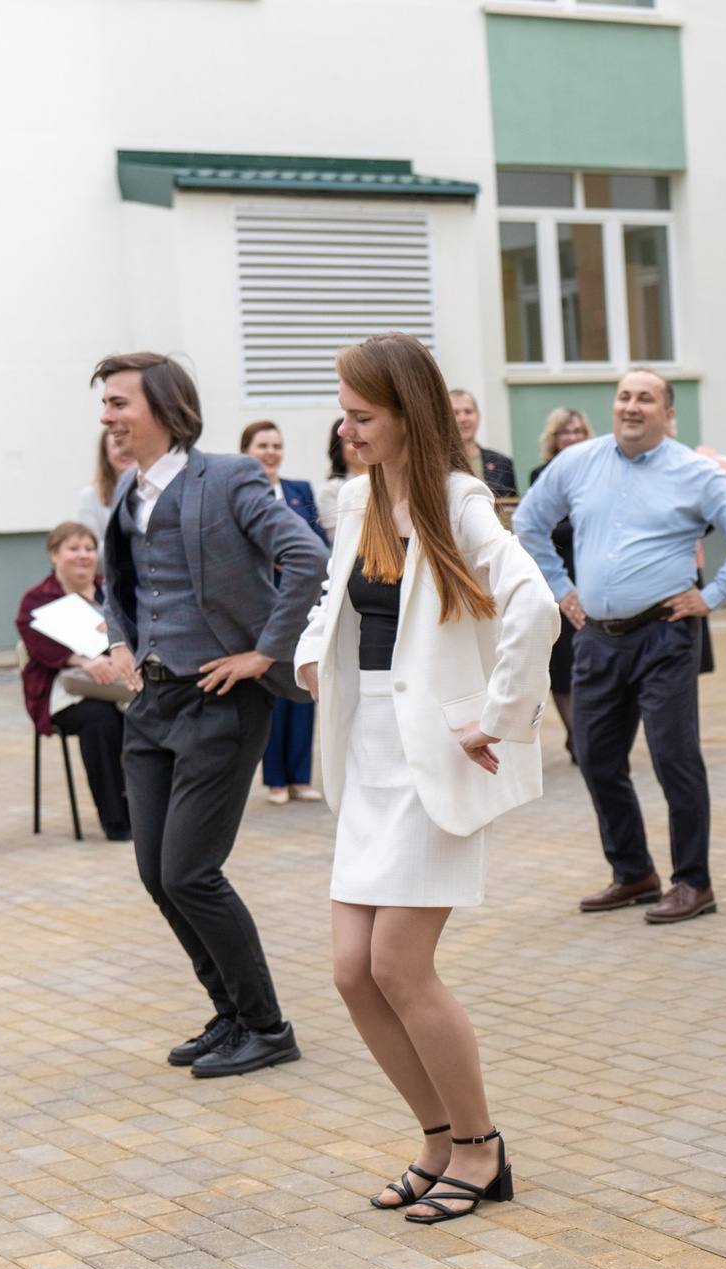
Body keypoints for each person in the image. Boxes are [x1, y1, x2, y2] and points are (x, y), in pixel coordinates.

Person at [296, 335, 560, 1221]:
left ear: (407, 414)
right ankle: (436, 1137)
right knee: (349, 970)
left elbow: (530, 603)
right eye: (344, 413)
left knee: (399, 965)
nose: (347, 428)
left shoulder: (456, 497)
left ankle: (481, 1148)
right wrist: (308, 656)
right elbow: (336, 594)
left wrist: (499, 711)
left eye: (362, 415)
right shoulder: (359, 496)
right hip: (367, 748)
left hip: (432, 755)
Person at [89, 351, 329, 1078]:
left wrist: (264, 653)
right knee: (158, 873)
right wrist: (123, 641)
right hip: (152, 703)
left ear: (163, 409)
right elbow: (117, 582)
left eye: (120, 403)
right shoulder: (127, 491)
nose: (108, 416)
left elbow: (308, 554)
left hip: (220, 699)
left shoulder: (224, 477)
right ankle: (229, 1014)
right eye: (105, 404)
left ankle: (266, 1025)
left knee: (191, 871)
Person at [515, 369, 726, 924]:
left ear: (668, 413)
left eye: (646, 399)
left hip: (664, 635)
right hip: (598, 640)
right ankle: (633, 872)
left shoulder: (694, 472)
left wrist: (716, 594)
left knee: (673, 759)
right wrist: (561, 589)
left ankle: (693, 882)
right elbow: (528, 521)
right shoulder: (578, 461)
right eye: (624, 396)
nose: (632, 407)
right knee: (596, 758)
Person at [16, 520, 132, 841]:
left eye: (89, 548)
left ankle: (149, 809)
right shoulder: (37, 599)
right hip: (65, 691)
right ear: (54, 555)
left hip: (120, 684)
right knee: (100, 720)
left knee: (149, 713)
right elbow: (36, 642)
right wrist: (81, 659)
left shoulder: (112, 591)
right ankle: (115, 819)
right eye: (73, 548)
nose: (83, 555)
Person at [243, 421, 327, 805]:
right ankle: (275, 780)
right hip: (263, 603)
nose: (270, 452)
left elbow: (315, 543)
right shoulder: (240, 492)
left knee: (304, 683)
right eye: (262, 445)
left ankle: (301, 777)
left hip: (302, 602)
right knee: (273, 692)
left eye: (276, 445)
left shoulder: (298, 490)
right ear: (246, 450)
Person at [530, 407, 592, 755]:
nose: (573, 437)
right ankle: (576, 736)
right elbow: (541, 529)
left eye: (579, 430)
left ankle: (589, 734)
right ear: (553, 439)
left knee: (593, 658)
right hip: (557, 578)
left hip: (594, 576)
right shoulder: (542, 475)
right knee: (563, 660)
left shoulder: (599, 473)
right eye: (566, 431)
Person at [449, 390, 517, 498]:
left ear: (478, 416)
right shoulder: (436, 464)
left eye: (468, 412)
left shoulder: (502, 463)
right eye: (455, 413)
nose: (463, 419)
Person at [76, 430, 135, 539]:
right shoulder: (90, 496)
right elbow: (91, 545)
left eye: (131, 444)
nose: (125, 452)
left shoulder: (154, 489)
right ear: (106, 454)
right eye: (117, 445)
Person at [317, 419, 355, 534]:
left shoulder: (389, 483)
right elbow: (337, 534)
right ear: (339, 449)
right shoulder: (332, 489)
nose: (358, 445)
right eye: (350, 442)